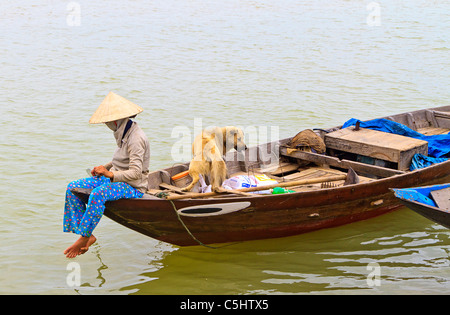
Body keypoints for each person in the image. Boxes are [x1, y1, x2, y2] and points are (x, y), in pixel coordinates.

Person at [63, 91, 150, 258]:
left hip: (133, 186)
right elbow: (118, 160)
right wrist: (104, 167)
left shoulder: (135, 138)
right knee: (73, 188)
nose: (106, 125)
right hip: (116, 178)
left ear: (115, 121)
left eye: (107, 122)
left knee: (98, 193)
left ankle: (85, 236)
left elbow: (136, 173)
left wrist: (109, 174)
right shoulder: (124, 132)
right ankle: (87, 234)